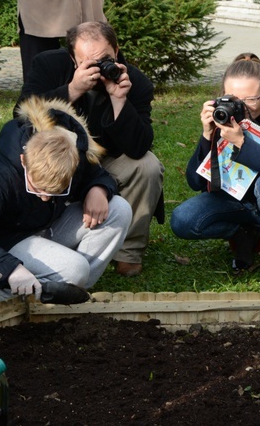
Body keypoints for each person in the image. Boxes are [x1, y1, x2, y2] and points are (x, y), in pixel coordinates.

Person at [16, 21, 164, 278]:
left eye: (105, 59)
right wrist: (73, 89)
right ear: (72, 57)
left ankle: (129, 252)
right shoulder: (48, 65)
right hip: (62, 161)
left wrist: (120, 101)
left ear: (116, 51)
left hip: (106, 162)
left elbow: (139, 147)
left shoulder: (136, 82)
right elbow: (21, 118)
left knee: (148, 166)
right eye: (87, 61)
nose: (98, 68)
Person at [170, 57, 260, 291]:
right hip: (236, 198)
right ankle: (244, 232)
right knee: (182, 220)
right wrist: (206, 136)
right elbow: (195, 182)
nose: (242, 107)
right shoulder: (223, 113)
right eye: (234, 99)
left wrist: (242, 143)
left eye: (250, 100)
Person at [0, 96, 131, 302]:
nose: (45, 198)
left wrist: (99, 189)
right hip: (6, 241)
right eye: (37, 188)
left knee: (119, 209)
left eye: (56, 191)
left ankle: (71, 292)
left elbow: (96, 174)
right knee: (74, 268)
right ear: (24, 161)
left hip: (49, 226)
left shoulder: (69, 151)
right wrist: (7, 269)